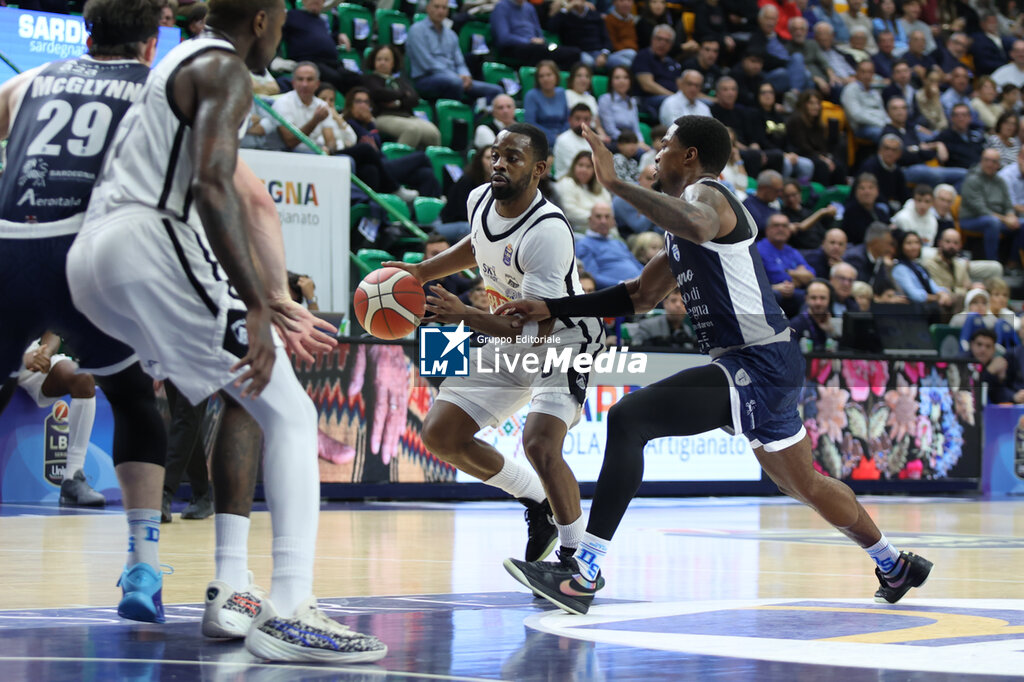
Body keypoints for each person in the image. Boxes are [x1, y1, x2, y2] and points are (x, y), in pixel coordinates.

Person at [498, 115, 932, 615]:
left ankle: (583, 572)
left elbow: (699, 223)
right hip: (765, 361)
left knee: (629, 419)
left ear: (689, 156)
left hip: (756, 360)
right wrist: (553, 308)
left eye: (664, 144)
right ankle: (893, 563)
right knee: (802, 483)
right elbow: (640, 296)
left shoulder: (709, 195)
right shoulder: (682, 223)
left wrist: (615, 183)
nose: (655, 153)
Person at [65, 0, 384, 662]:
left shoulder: (177, 59)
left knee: (246, 393)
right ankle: (290, 610)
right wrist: (260, 305)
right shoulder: (226, 68)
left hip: (90, 263)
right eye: (282, 24)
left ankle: (233, 589)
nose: (283, 39)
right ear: (262, 20)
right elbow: (218, 188)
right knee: (292, 412)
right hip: (149, 243)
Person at [0, 0, 172, 625]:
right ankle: (142, 565)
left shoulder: (31, 79)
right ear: (151, 44)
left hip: (13, 244)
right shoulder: (157, 88)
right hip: (92, 253)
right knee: (133, 396)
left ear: (86, 33)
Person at [382, 123, 604, 584]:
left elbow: (533, 330)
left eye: (513, 157)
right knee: (441, 434)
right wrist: (421, 272)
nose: (499, 164)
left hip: (561, 338)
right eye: (496, 155)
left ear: (539, 169)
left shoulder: (549, 231)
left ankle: (577, 560)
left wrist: (465, 314)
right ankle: (537, 502)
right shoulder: (480, 198)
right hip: (507, 327)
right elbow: (480, 245)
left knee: (540, 442)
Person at [16, 334, 105, 507]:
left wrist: (45, 353)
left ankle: (73, 477)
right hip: (10, 360)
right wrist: (20, 359)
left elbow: (52, 327)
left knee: (81, 377)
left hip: (31, 361)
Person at [407, 0, 503, 104]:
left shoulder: (451, 34)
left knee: (496, 91)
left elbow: (460, 62)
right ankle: (456, 112)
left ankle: (479, 113)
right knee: (455, 82)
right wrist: (455, 76)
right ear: (428, 8)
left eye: (444, 8)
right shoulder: (416, 30)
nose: (441, 11)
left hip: (455, 78)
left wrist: (465, 75)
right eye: (437, 7)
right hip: (426, 78)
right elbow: (427, 63)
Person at [362, 44, 441, 150]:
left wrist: (397, 102)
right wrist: (403, 94)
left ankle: (428, 160)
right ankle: (399, 158)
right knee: (411, 129)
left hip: (406, 116)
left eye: (386, 60)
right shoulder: (370, 79)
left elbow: (414, 99)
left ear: (393, 63)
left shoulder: (399, 81)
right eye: (379, 59)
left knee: (433, 133)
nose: (382, 62)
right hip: (382, 116)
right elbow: (379, 93)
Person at [281, 0, 361, 97]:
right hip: (310, 61)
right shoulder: (293, 15)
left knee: (357, 79)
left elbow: (322, 38)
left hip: (333, 63)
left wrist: (338, 36)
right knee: (334, 77)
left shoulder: (320, 21)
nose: (317, 1)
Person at [959, 148, 1021, 262]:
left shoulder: (1000, 181)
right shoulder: (972, 179)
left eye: (994, 161)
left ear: (998, 165)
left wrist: (1011, 215)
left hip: (998, 219)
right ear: (981, 161)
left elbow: (1008, 205)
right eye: (986, 160)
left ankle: (1013, 263)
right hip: (972, 218)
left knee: (1021, 223)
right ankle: (992, 263)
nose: (989, 164)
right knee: (992, 222)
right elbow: (980, 209)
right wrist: (1005, 219)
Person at [490, 0, 582, 69]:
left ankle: (555, 80)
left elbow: (538, 31)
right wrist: (528, 41)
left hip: (536, 46)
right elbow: (503, 38)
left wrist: (541, 40)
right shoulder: (501, 7)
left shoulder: (529, 7)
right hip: (514, 47)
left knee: (574, 53)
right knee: (539, 50)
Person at [575, 202, 645, 288]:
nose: (603, 221)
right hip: (619, 290)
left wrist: (646, 278)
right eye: (598, 217)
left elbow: (638, 266)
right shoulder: (583, 245)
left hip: (640, 285)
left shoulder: (619, 243)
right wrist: (621, 284)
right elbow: (591, 277)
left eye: (607, 217)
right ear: (590, 220)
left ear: (613, 221)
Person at [548, 0, 635, 70]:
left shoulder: (594, 14)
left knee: (628, 59)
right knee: (588, 61)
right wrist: (565, 9)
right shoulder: (565, 15)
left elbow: (606, 38)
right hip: (578, 53)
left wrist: (604, 54)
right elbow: (551, 28)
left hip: (599, 53)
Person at [757, 213, 816, 317]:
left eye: (785, 226)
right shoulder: (758, 250)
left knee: (814, 296)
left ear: (789, 230)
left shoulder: (792, 251)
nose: (781, 229)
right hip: (769, 295)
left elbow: (811, 276)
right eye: (776, 225)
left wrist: (789, 272)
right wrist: (796, 276)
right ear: (767, 230)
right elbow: (760, 281)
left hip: (794, 294)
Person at [786, 90, 845, 186]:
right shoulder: (796, 120)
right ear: (803, 104)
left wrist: (827, 157)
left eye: (818, 103)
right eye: (811, 103)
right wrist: (822, 158)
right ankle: (821, 193)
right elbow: (802, 146)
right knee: (821, 165)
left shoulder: (818, 123)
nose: (815, 107)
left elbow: (823, 146)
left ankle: (838, 193)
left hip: (816, 155)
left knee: (838, 165)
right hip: (801, 154)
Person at [439, 145, 493, 241]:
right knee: (470, 229)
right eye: (488, 158)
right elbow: (463, 214)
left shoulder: (499, 183)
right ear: (480, 160)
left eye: (495, 158)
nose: (492, 162)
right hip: (448, 223)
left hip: (474, 222)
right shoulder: (466, 181)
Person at [891, 232, 955, 312]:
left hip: (928, 304)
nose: (914, 247)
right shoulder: (900, 269)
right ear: (901, 246)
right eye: (909, 243)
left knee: (954, 298)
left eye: (916, 242)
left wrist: (943, 294)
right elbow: (914, 295)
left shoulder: (918, 266)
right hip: (912, 308)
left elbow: (933, 286)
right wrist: (936, 297)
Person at [632, 24, 684, 118]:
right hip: (648, 99)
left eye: (667, 41)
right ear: (652, 39)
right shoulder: (643, 56)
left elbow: (681, 86)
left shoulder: (673, 62)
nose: (662, 43)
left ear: (671, 45)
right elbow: (647, 85)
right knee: (673, 103)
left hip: (672, 98)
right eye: (659, 39)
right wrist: (674, 97)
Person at [555, 150, 614, 231]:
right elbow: (570, 213)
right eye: (580, 165)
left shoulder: (600, 187)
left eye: (588, 166)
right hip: (578, 230)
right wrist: (597, 219)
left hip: (605, 230)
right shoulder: (567, 183)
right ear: (574, 166)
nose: (584, 170)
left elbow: (610, 211)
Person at [620, 289, 697, 349]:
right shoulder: (647, 325)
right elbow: (636, 348)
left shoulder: (687, 330)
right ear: (665, 304)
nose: (678, 305)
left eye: (683, 302)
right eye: (673, 300)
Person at [841, 60, 889, 143]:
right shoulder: (850, 90)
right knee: (884, 134)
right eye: (863, 72)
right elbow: (857, 115)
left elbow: (882, 111)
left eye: (870, 72)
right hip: (863, 128)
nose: (867, 75)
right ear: (857, 73)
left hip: (880, 124)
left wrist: (890, 123)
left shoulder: (875, 91)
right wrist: (881, 123)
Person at [525, 60, 570, 148]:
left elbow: (567, 120)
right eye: (541, 76)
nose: (545, 79)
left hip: (563, 138)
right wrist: (554, 138)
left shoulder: (561, 92)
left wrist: (563, 136)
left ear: (556, 76)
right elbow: (530, 124)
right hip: (540, 140)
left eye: (549, 75)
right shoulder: (531, 95)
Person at [598, 65, 645, 147]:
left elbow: (636, 129)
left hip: (633, 142)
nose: (622, 81)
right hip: (616, 142)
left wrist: (641, 142)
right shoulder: (605, 100)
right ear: (611, 81)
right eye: (617, 78)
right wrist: (633, 142)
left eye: (626, 78)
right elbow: (610, 130)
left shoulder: (632, 101)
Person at [781, 180, 837, 250]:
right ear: (782, 197)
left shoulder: (807, 211)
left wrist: (830, 216)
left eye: (794, 195)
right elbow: (801, 227)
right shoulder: (782, 216)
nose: (791, 199)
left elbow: (822, 231)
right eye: (787, 196)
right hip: (805, 251)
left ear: (800, 193)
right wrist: (821, 212)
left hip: (821, 247)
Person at [842, 173, 891, 245]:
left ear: (877, 191)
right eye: (862, 188)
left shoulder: (880, 212)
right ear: (856, 192)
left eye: (871, 188)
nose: (867, 192)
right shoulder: (850, 212)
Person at [789, 279, 839, 350]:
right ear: (806, 299)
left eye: (822, 298)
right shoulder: (795, 325)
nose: (818, 302)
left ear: (829, 300)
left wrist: (831, 332)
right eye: (813, 298)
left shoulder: (835, 324)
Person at [553, 104, 596, 180]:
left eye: (586, 119)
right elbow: (577, 170)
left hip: (589, 181)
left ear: (590, 121)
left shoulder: (593, 139)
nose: (582, 123)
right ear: (569, 120)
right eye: (577, 119)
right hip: (567, 181)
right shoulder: (563, 140)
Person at [938, 103, 987, 169]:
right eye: (957, 115)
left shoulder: (976, 135)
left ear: (970, 118)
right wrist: (937, 144)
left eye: (964, 115)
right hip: (959, 171)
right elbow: (925, 146)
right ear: (951, 118)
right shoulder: (944, 136)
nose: (961, 118)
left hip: (980, 169)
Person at [614, 164, 658, 235]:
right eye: (649, 179)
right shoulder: (625, 195)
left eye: (657, 180)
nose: (653, 184)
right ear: (639, 178)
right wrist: (655, 203)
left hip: (654, 234)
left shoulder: (662, 193)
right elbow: (640, 227)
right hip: (628, 236)